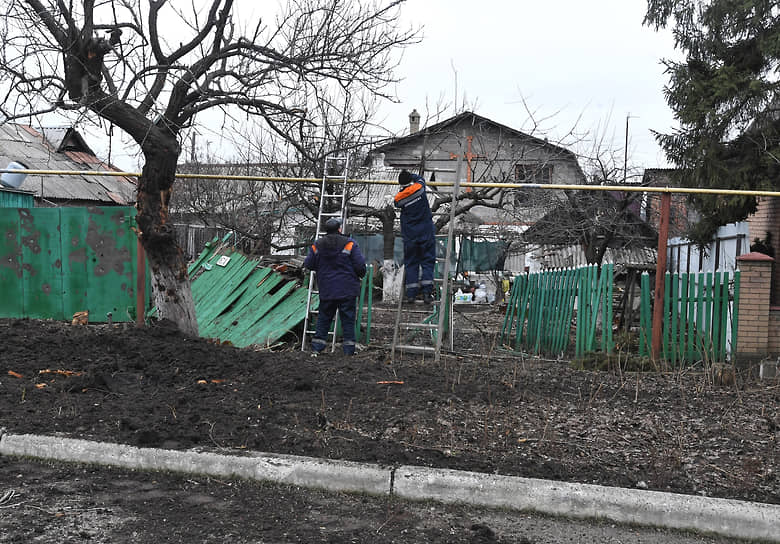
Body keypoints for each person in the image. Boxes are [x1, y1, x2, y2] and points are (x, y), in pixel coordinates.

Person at [303, 217, 366, 356]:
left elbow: (309, 264)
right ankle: (349, 351)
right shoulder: (350, 243)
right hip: (347, 289)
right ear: (339, 229)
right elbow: (360, 265)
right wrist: (361, 274)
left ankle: (316, 349)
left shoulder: (317, 245)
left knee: (324, 318)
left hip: (327, 289)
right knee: (348, 320)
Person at [395, 169, 436, 304]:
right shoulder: (419, 188)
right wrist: (411, 176)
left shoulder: (398, 198)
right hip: (426, 232)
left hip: (411, 236)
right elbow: (420, 179)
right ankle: (426, 294)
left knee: (412, 263)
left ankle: (411, 295)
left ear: (400, 183)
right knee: (427, 262)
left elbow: (397, 203)